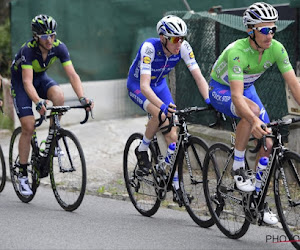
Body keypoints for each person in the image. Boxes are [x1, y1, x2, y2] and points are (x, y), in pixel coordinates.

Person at [209, 2, 300, 224]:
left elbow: (293, 84)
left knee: (268, 143)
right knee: (252, 112)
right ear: (251, 30)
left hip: (247, 88)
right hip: (222, 89)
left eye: (273, 29)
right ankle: (238, 165)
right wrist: (253, 120)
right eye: (264, 29)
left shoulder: (277, 48)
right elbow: (237, 97)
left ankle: (258, 200)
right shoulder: (237, 52)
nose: (270, 35)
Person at [11, 14, 94, 196]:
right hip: (22, 83)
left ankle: (53, 138)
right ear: (36, 37)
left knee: (59, 96)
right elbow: (27, 82)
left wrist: (82, 98)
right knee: (28, 126)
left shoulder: (59, 47)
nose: (50, 40)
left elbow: (72, 75)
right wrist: (38, 102)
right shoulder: (28, 50)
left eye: (52, 35)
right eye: (44, 37)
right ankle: (23, 174)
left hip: (40, 79)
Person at [127, 15, 210, 177]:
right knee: (159, 113)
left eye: (182, 38)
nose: (179, 43)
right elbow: (144, 86)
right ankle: (142, 149)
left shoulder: (183, 47)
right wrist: (162, 106)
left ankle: (171, 177)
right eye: (174, 39)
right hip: (138, 87)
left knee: (173, 133)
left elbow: (199, 77)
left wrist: (209, 100)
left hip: (159, 86)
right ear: (162, 38)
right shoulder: (149, 48)